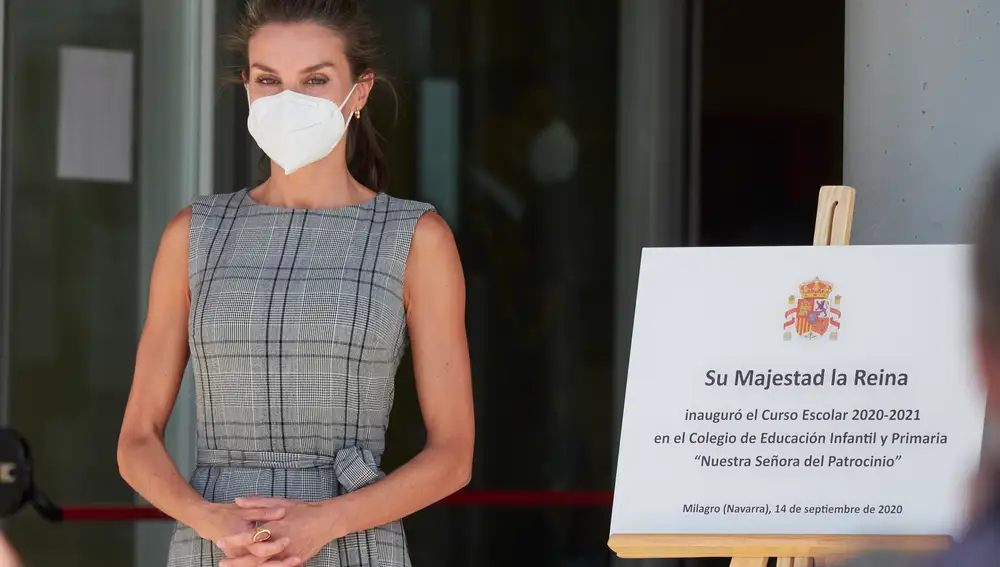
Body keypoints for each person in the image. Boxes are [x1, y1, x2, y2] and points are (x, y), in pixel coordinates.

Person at [116, 1, 475, 566]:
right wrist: (208, 518)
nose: (289, 101)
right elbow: (136, 439)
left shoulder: (415, 236)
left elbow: (453, 456)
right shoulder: (194, 233)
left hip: (351, 534)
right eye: (268, 80)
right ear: (248, 89)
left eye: (314, 79)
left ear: (359, 92)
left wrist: (326, 521)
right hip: (217, 543)